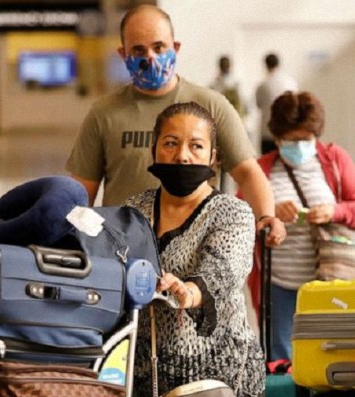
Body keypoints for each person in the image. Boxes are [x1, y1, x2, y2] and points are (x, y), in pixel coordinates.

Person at [124, 101, 265, 397]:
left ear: (212, 158)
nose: (182, 154)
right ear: (154, 152)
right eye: (171, 143)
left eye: (195, 145)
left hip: (218, 387)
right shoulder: (133, 210)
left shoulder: (232, 213)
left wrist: (192, 290)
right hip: (151, 393)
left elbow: (226, 266)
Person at [65, 5, 285, 248]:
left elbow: (247, 172)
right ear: (123, 54)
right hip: (123, 250)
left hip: (194, 250)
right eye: (138, 50)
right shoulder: (103, 113)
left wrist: (266, 216)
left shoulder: (210, 106)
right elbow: (82, 191)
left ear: (175, 48)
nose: (150, 57)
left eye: (159, 47)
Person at [252, 91, 355, 363]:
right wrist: (269, 215)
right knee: (280, 361)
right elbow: (240, 219)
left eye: (304, 139)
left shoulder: (335, 161)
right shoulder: (262, 170)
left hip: (328, 283)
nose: (297, 146)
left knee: (329, 356)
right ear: (278, 137)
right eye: (289, 140)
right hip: (279, 286)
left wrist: (335, 211)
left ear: (315, 134)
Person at [255, 53, 298, 155]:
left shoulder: (263, 85)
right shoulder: (291, 82)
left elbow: (258, 104)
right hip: (287, 132)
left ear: (266, 65)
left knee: (267, 167)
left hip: (268, 132)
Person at [210, 55, 247, 119]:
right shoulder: (215, 84)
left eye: (225, 65)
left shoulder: (235, 83)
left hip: (229, 116)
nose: (225, 66)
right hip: (225, 115)